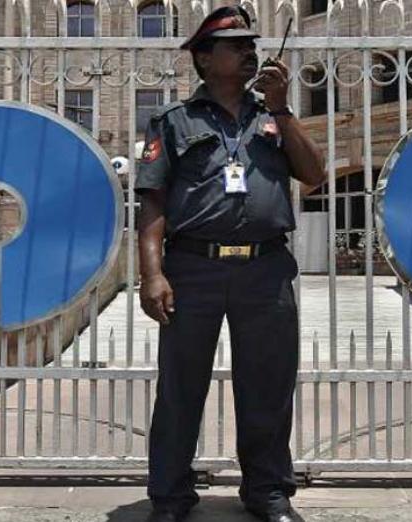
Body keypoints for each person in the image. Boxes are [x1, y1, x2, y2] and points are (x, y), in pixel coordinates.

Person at [135, 6, 326, 522]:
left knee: (267, 386)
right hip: (193, 269)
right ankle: (170, 496)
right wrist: (152, 274)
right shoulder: (174, 121)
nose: (249, 52)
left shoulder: (273, 119)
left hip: (265, 269)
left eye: (251, 44)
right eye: (236, 45)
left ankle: (267, 491)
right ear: (204, 59)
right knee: (180, 388)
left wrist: (284, 110)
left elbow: (314, 174)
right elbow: (152, 202)